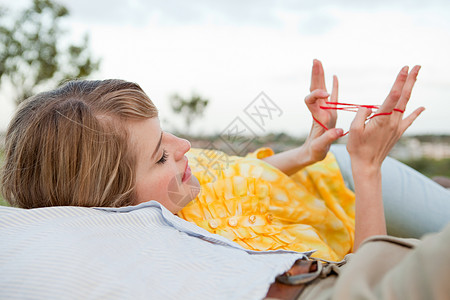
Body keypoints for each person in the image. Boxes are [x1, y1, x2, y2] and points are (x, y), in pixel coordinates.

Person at [1, 60, 449, 261]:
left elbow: (235, 177)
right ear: (115, 204)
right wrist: (369, 170)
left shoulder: (175, 185)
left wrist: (309, 151)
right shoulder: (204, 253)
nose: (185, 148)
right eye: (161, 155)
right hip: (364, 202)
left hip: (336, 171)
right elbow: (371, 282)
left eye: (166, 132)